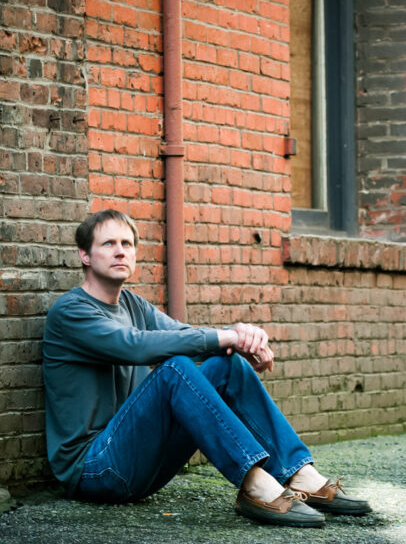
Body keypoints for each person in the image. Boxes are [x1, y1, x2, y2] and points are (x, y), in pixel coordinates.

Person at [42, 209, 371, 527]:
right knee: (175, 369)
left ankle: (301, 475)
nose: (120, 252)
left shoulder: (132, 304)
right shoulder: (72, 312)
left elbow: (182, 335)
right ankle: (254, 483)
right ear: (85, 256)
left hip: (141, 465)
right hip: (95, 470)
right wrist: (228, 336)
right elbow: (135, 345)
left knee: (227, 365)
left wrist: (239, 337)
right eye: (108, 244)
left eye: (127, 244)